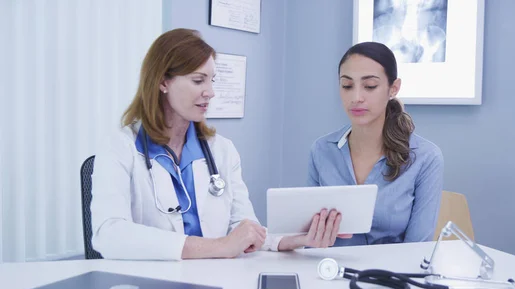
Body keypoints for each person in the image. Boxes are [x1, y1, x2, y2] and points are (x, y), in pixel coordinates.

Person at [91, 28, 343, 260]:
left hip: (218, 282)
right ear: (163, 82)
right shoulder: (119, 147)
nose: (210, 92)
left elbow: (243, 228)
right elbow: (109, 234)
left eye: (212, 80)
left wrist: (292, 239)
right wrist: (220, 246)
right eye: (199, 80)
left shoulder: (221, 151)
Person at [307, 41, 444, 246]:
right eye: (347, 86)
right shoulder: (322, 150)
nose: (356, 97)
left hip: (392, 276)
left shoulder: (426, 158)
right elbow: (311, 240)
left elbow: (418, 249)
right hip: (330, 273)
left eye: (370, 86)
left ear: (393, 88)